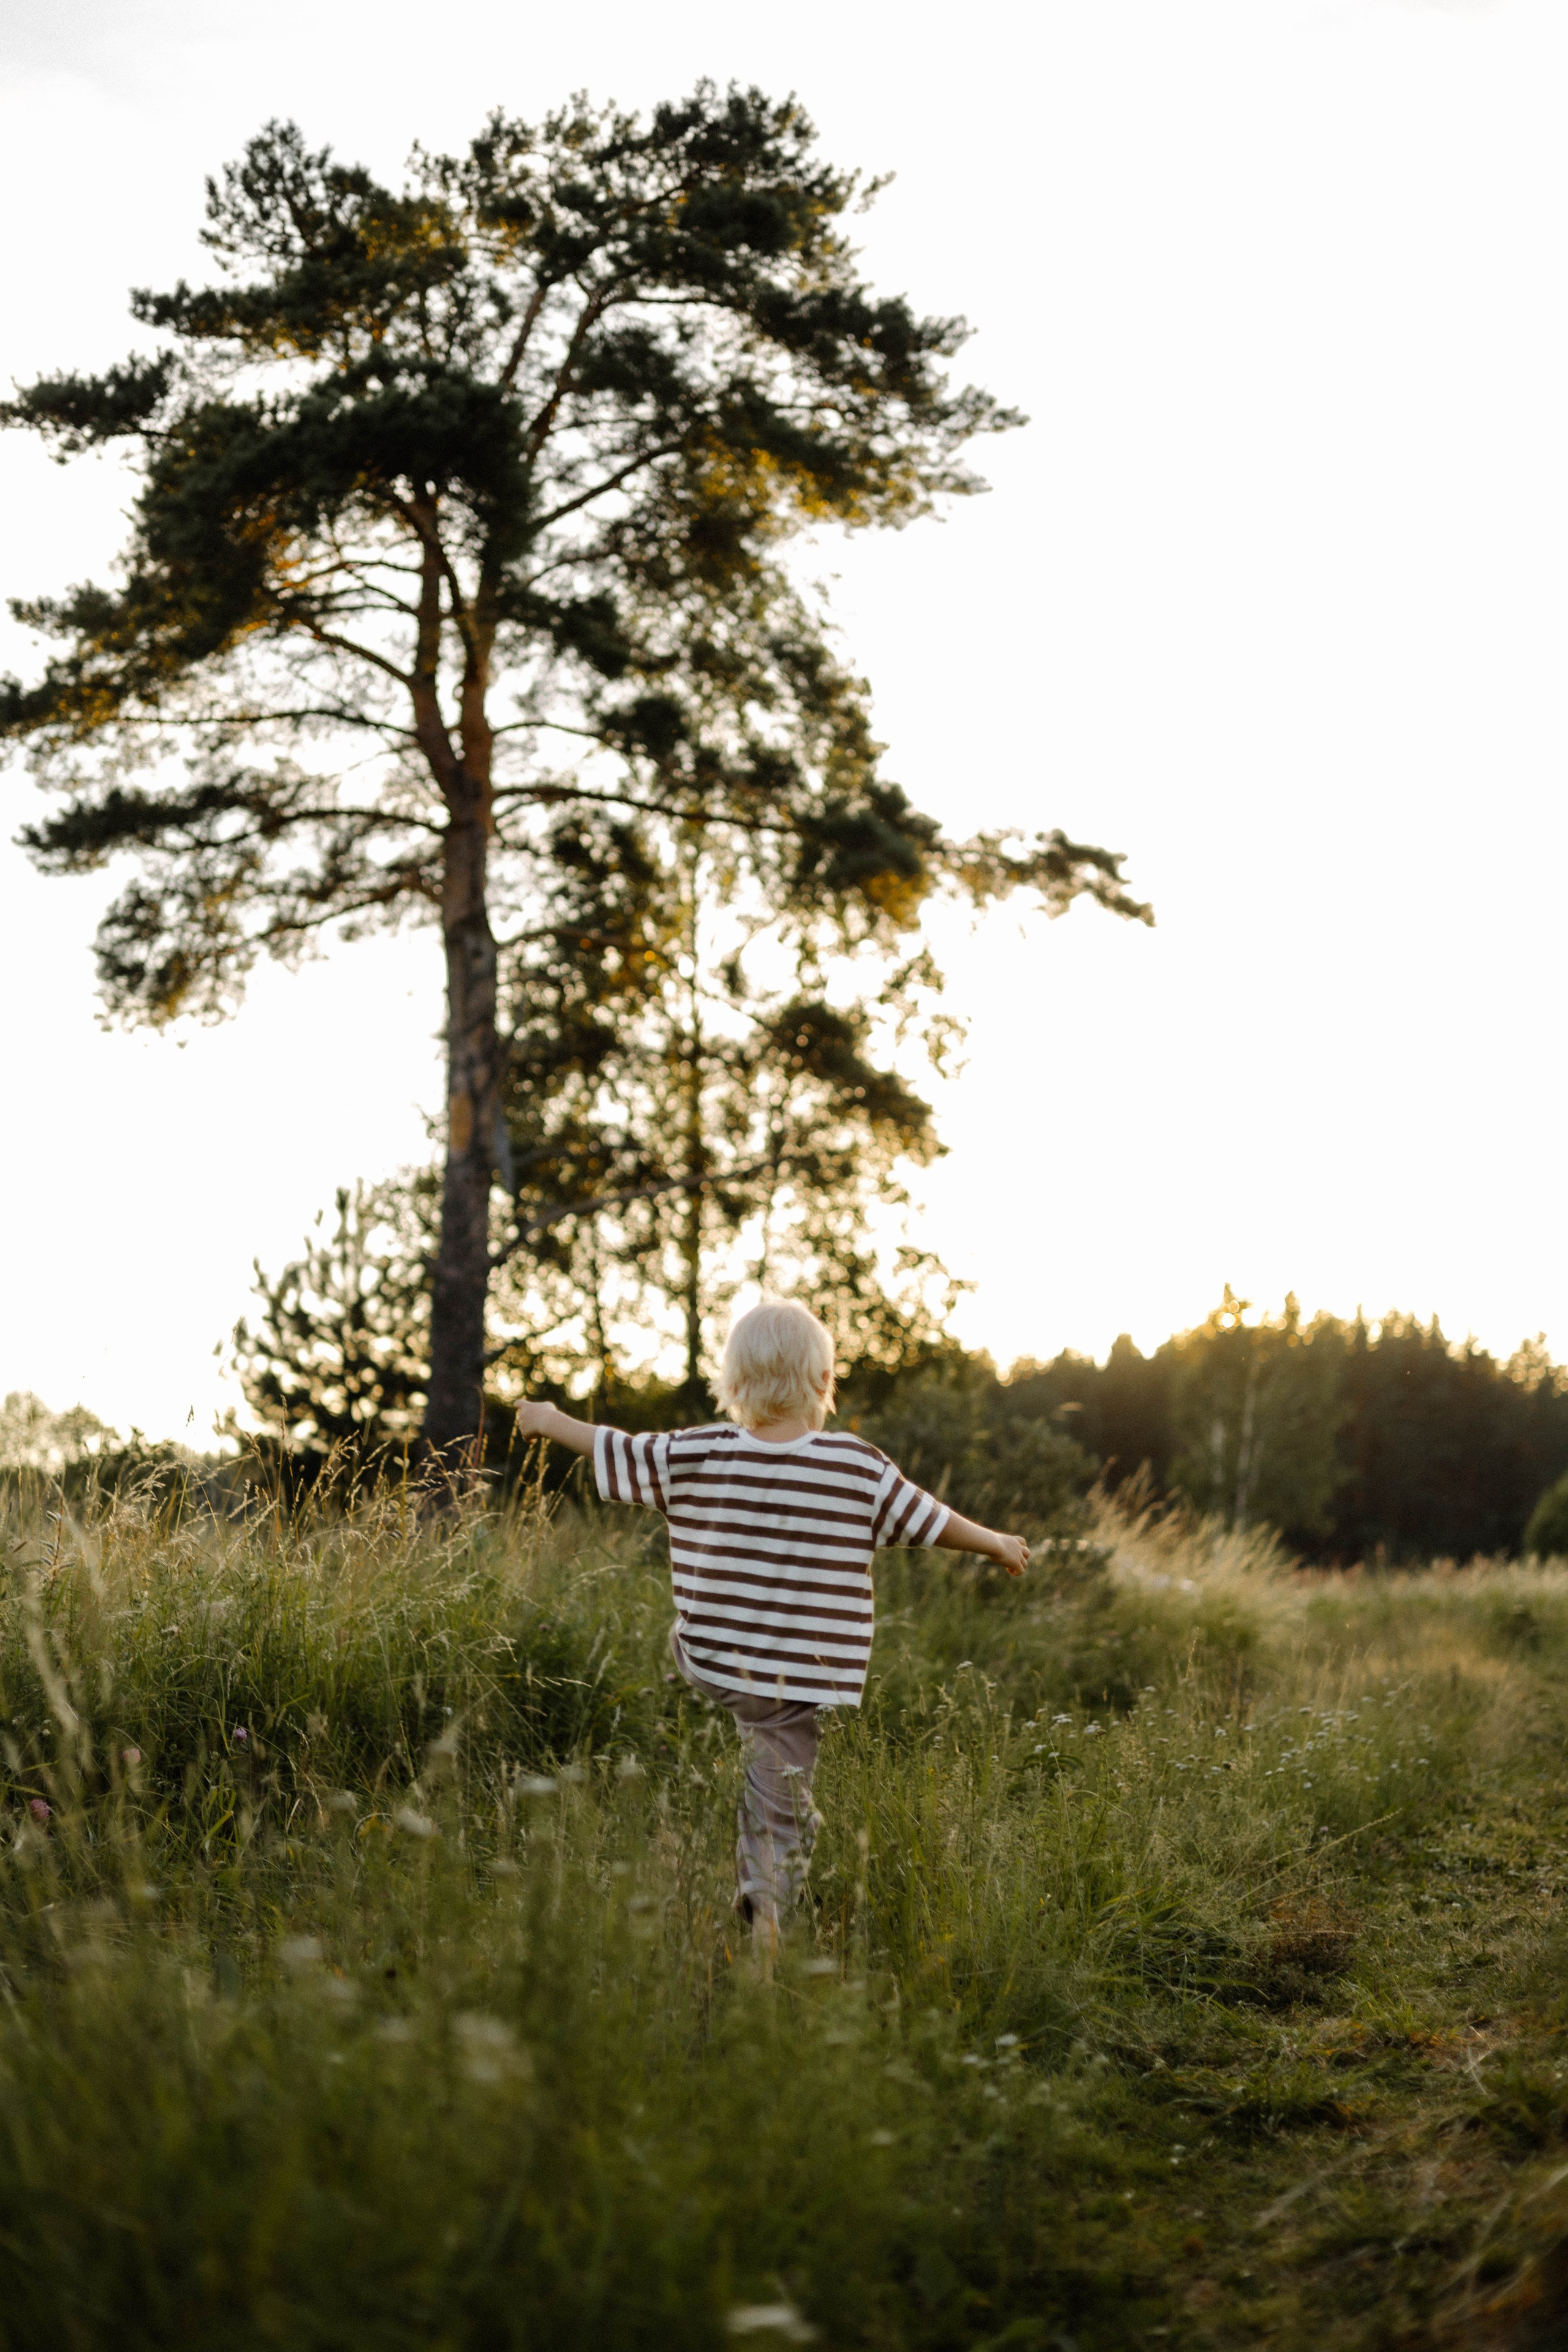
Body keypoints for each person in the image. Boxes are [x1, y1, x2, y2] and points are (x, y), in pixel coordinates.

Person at [514, 1300, 1028, 1949]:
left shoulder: (698, 1450)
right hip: (799, 1676)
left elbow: (614, 1444)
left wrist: (549, 1419)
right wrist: (996, 1545)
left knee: (746, 1723)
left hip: (713, 1657)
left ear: (733, 1386)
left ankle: (774, 1866)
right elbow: (931, 1520)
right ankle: (769, 1904)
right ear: (823, 1384)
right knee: (779, 1782)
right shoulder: (857, 1466)